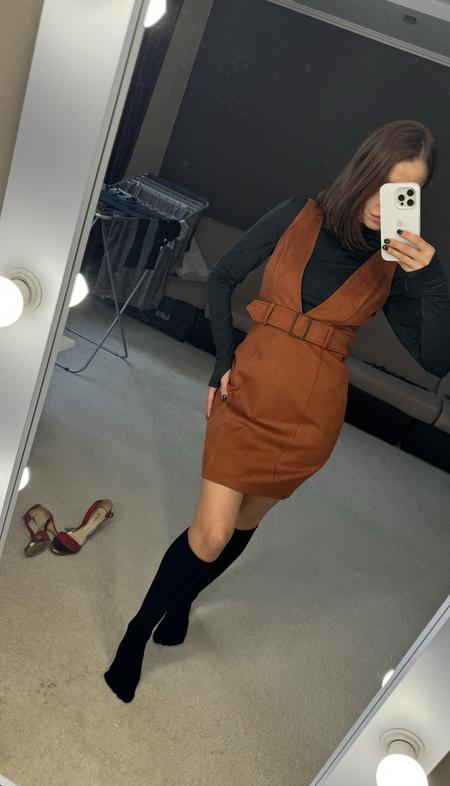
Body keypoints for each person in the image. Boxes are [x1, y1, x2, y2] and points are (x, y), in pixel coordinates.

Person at [104, 120, 450, 703]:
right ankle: (136, 635)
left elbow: (436, 359)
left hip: (311, 419)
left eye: (403, 192)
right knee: (211, 533)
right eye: (381, 183)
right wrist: (221, 362)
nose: (383, 202)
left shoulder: (396, 265)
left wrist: (432, 279)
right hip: (249, 390)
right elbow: (223, 278)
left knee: (242, 526)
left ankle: (184, 599)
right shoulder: (298, 214)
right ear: (362, 171)